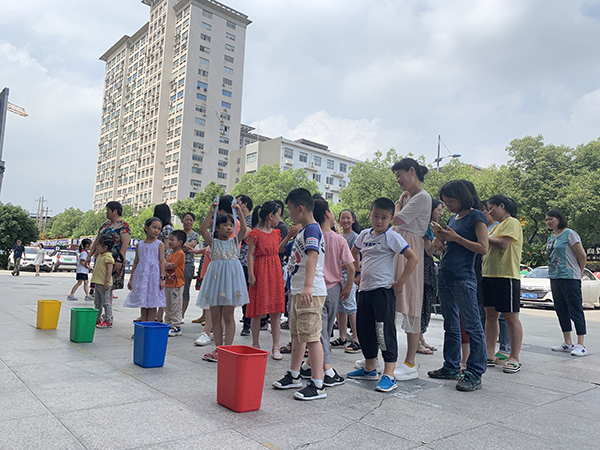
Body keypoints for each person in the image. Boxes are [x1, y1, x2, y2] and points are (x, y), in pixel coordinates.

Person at [347, 197, 419, 392]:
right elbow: (353, 252)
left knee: (384, 332)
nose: (379, 221)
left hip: (383, 291)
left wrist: (400, 282)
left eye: (384, 217)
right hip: (364, 291)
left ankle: (389, 374)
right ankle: (370, 368)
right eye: (376, 216)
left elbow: (413, 258)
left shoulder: (391, 236)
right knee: (364, 330)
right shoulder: (364, 234)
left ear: (391, 219)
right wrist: (357, 272)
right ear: (370, 214)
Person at [427, 180, 489, 391]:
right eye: (445, 202)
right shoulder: (453, 218)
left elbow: (483, 248)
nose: (448, 206)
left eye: (451, 201)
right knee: (450, 324)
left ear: (463, 197)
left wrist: (456, 238)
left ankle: (474, 372)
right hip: (445, 273)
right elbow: (446, 245)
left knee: (472, 325)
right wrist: (441, 238)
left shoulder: (476, 216)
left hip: (463, 276)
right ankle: (451, 366)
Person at [272, 188, 328, 400]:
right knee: (297, 335)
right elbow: (282, 250)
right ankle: (294, 374)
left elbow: (312, 256)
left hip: (310, 292)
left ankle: (318, 384)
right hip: (298, 291)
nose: (288, 214)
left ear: (301, 209)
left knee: (312, 337)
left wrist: (307, 286)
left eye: (290, 209)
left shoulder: (312, 229)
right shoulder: (303, 232)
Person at [301, 198, 355, 387]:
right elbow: (351, 266)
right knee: (323, 331)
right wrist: (348, 287)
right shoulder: (338, 239)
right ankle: (327, 370)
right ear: (327, 214)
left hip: (314, 287)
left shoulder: (311, 236)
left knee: (319, 330)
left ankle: (308, 366)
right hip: (332, 289)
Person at [390, 158, 432, 381]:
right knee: (392, 300)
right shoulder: (407, 196)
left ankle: (410, 362)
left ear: (412, 171)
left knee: (411, 302)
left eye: (399, 175)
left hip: (410, 247)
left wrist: (397, 204)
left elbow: (396, 219)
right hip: (397, 246)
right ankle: (380, 358)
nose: (398, 180)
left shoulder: (422, 197)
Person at [196, 202, 248, 362]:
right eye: (225, 225)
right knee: (216, 317)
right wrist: (211, 212)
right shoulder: (213, 242)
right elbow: (202, 230)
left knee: (229, 316)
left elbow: (244, 230)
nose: (229, 228)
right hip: (215, 283)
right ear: (217, 228)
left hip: (230, 284)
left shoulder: (235, 242)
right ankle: (219, 349)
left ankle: (228, 349)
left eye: (231, 225)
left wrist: (239, 213)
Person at [482, 195, 524, 374]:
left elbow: (503, 244)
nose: (489, 212)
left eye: (491, 208)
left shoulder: (512, 222)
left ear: (502, 206)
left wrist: (482, 237)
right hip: (488, 274)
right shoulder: (495, 226)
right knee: (490, 316)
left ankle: (514, 357)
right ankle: (489, 353)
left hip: (506, 276)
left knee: (510, 317)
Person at [545, 209, 588, 356]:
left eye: (551, 219)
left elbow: (582, 255)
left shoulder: (570, 234)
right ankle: (567, 342)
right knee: (561, 309)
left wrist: (580, 271)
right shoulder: (551, 237)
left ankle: (581, 344)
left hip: (569, 277)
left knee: (575, 309)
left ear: (559, 219)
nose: (548, 222)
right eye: (546, 220)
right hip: (555, 276)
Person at [247, 201, 286, 359]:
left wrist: (289, 236)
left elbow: (279, 249)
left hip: (275, 270)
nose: (280, 218)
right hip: (261, 270)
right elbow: (250, 254)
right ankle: (255, 344)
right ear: (271, 216)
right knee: (257, 311)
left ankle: (276, 346)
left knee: (276, 311)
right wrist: (251, 274)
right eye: (279, 215)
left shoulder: (276, 233)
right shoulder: (255, 233)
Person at [123, 218, 166, 323]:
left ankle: (149, 325)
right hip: (142, 276)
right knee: (143, 302)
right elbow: (136, 262)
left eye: (159, 229)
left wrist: (162, 278)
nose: (156, 230)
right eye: (154, 227)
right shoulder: (140, 245)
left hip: (154, 276)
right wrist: (131, 279)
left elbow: (161, 262)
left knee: (152, 303)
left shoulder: (159, 244)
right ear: (146, 228)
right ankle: (143, 324)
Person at [331, 209, 362, 354]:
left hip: (347, 275)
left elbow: (355, 259)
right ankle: (342, 337)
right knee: (340, 308)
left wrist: (354, 274)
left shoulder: (355, 237)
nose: (345, 221)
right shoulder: (338, 236)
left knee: (351, 307)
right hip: (337, 276)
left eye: (348, 218)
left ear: (353, 220)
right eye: (343, 218)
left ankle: (356, 339)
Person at [86, 201, 131, 295]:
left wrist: (119, 260)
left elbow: (125, 244)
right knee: (99, 285)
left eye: (108, 210)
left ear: (115, 211)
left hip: (114, 260)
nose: (106, 212)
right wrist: (89, 256)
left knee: (108, 287)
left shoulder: (123, 226)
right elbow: (97, 241)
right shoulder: (105, 225)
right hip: (100, 260)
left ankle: (107, 304)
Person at [419, 199, 443, 354]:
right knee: (422, 303)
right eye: (438, 210)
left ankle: (420, 339)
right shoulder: (425, 227)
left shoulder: (428, 226)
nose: (441, 213)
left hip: (426, 266)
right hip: (423, 267)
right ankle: (417, 341)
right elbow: (428, 250)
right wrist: (438, 237)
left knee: (426, 302)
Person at [235, 194, 254, 336]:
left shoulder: (251, 219)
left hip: (246, 261)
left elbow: (245, 234)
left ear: (244, 204)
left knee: (247, 292)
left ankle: (247, 324)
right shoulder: (234, 220)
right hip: (236, 260)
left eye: (237, 203)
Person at [165, 230, 186, 337]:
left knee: (175, 306)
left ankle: (176, 326)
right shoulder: (170, 254)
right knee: (167, 305)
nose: (170, 242)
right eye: (169, 239)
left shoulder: (180, 254)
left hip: (176, 284)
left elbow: (171, 265)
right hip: (168, 283)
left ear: (180, 242)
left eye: (172, 240)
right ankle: (167, 324)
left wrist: (161, 263)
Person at [154, 203, 173, 322]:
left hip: (161, 259)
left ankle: (159, 315)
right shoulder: (163, 227)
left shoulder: (166, 228)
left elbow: (165, 246)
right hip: (159, 258)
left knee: (160, 288)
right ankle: (155, 314)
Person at [91, 236, 115, 328]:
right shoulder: (100, 255)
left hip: (104, 284)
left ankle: (108, 320)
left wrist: (107, 282)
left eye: (98, 245)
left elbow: (109, 271)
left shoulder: (108, 257)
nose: (96, 247)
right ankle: (97, 319)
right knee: (97, 303)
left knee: (106, 303)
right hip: (98, 282)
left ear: (105, 247)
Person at [180, 212, 199, 322]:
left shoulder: (195, 235)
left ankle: (182, 315)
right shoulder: (177, 233)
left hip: (188, 263)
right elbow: (173, 245)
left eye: (191, 220)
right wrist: (185, 246)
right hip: (176, 263)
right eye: (186, 219)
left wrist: (180, 244)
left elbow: (191, 246)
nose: (188, 222)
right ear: (182, 220)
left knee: (185, 289)